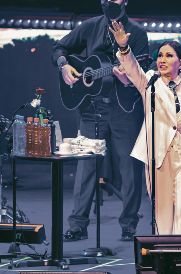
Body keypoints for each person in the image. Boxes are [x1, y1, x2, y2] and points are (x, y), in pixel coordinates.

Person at [52, 0, 149, 241]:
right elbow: (59, 49)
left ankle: (129, 225)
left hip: (124, 109)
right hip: (90, 108)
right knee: (86, 167)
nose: (108, 3)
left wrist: (125, 71)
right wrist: (64, 66)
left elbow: (142, 68)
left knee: (129, 169)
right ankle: (78, 225)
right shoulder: (89, 27)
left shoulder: (137, 34)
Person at [109, 20, 181, 234]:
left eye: (168, 55)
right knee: (162, 214)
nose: (162, 60)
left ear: (180, 62)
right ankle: (165, 259)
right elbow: (132, 69)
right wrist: (123, 47)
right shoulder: (150, 82)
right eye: (160, 56)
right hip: (158, 159)